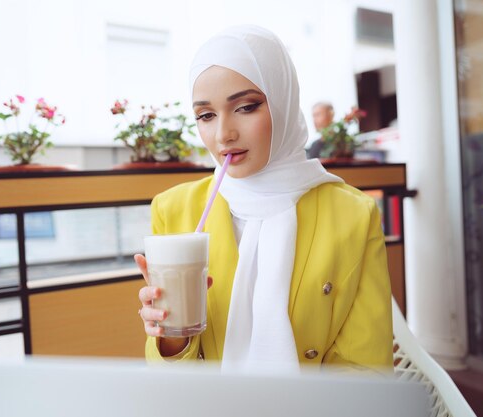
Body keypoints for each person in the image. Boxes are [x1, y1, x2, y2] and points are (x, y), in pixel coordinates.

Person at [135, 25, 392, 373]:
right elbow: (171, 377)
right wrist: (169, 335)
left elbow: (367, 368)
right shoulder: (175, 209)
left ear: (283, 101)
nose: (223, 134)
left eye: (246, 107)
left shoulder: (352, 214)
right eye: (206, 115)